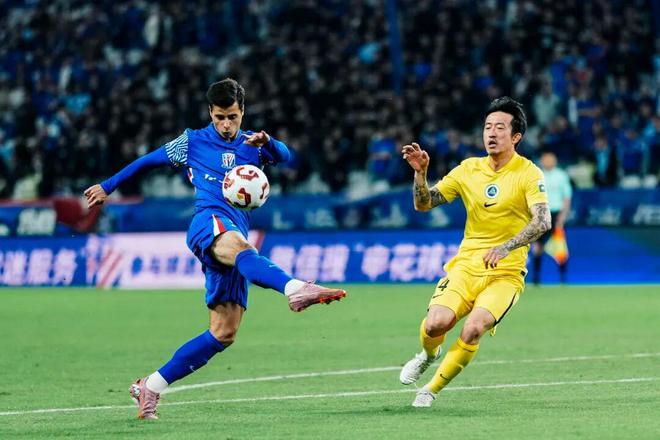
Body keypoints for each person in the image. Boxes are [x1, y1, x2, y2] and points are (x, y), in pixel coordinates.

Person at [84, 78, 347, 420]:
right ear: (210, 112)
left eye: (232, 117)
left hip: (234, 233)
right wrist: (107, 186)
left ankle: (151, 385)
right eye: (220, 117)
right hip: (207, 223)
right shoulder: (191, 142)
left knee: (223, 333)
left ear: (242, 113)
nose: (226, 124)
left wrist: (269, 141)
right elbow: (147, 161)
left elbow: (286, 156)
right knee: (242, 248)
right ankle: (295, 288)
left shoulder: (253, 144)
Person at [398, 97, 551, 407]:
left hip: (506, 273)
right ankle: (428, 354)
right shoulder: (469, 169)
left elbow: (543, 221)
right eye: (487, 127)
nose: (491, 133)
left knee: (473, 328)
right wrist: (420, 174)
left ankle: (430, 390)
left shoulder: (529, 173)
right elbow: (424, 204)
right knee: (435, 324)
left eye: (500, 127)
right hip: (467, 266)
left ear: (516, 136)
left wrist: (505, 247)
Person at [532, 150, 572, 284]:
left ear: (555, 161)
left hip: (556, 213)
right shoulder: (537, 175)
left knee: (560, 247)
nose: (548, 161)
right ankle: (536, 277)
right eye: (546, 159)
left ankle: (563, 278)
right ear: (542, 161)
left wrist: (563, 216)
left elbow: (567, 197)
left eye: (551, 159)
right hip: (541, 214)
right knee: (538, 246)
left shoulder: (561, 176)